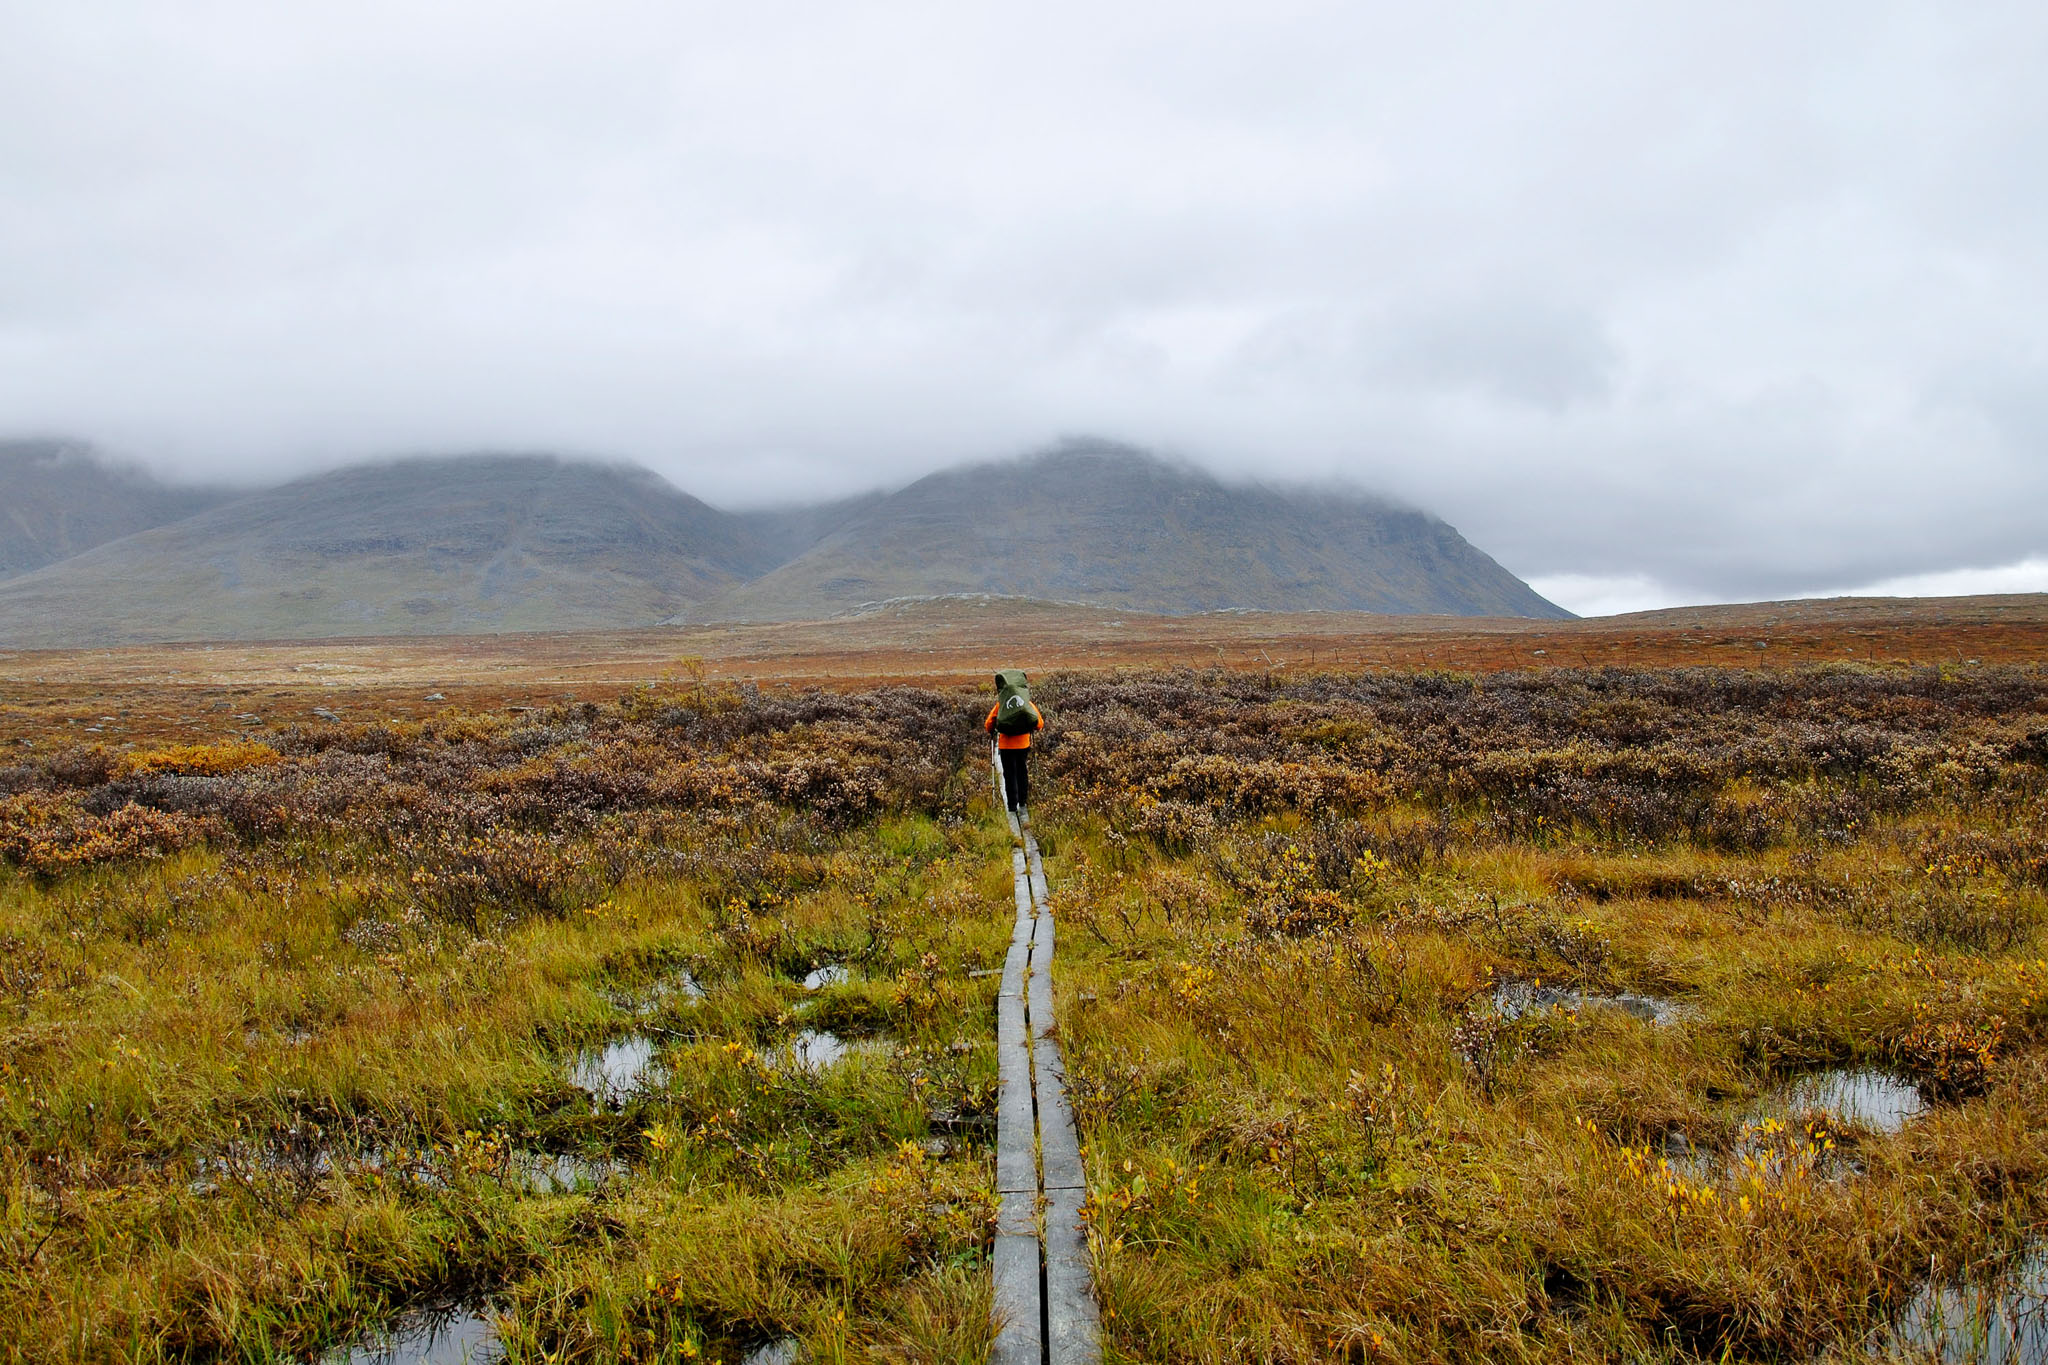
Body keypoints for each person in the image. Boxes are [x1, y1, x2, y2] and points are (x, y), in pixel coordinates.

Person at [984, 672, 1044, 812]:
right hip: (1023, 744)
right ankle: (1023, 802)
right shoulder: (1027, 704)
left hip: (1006, 746)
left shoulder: (1001, 705)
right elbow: (1039, 723)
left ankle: (1012, 806)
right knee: (1022, 771)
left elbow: (988, 724)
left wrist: (992, 730)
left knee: (1009, 774)